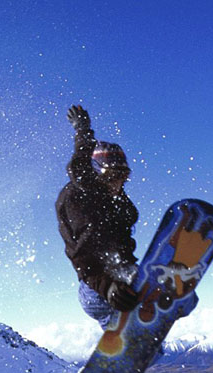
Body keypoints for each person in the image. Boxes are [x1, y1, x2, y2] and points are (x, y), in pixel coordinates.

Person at [56, 105, 141, 329]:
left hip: (120, 277)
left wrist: (83, 129)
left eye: (123, 175)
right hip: (95, 289)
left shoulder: (116, 199)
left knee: (151, 341)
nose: (119, 182)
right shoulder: (78, 200)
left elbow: (84, 153)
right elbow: (83, 260)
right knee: (124, 322)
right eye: (113, 176)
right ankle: (117, 333)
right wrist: (108, 288)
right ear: (97, 174)